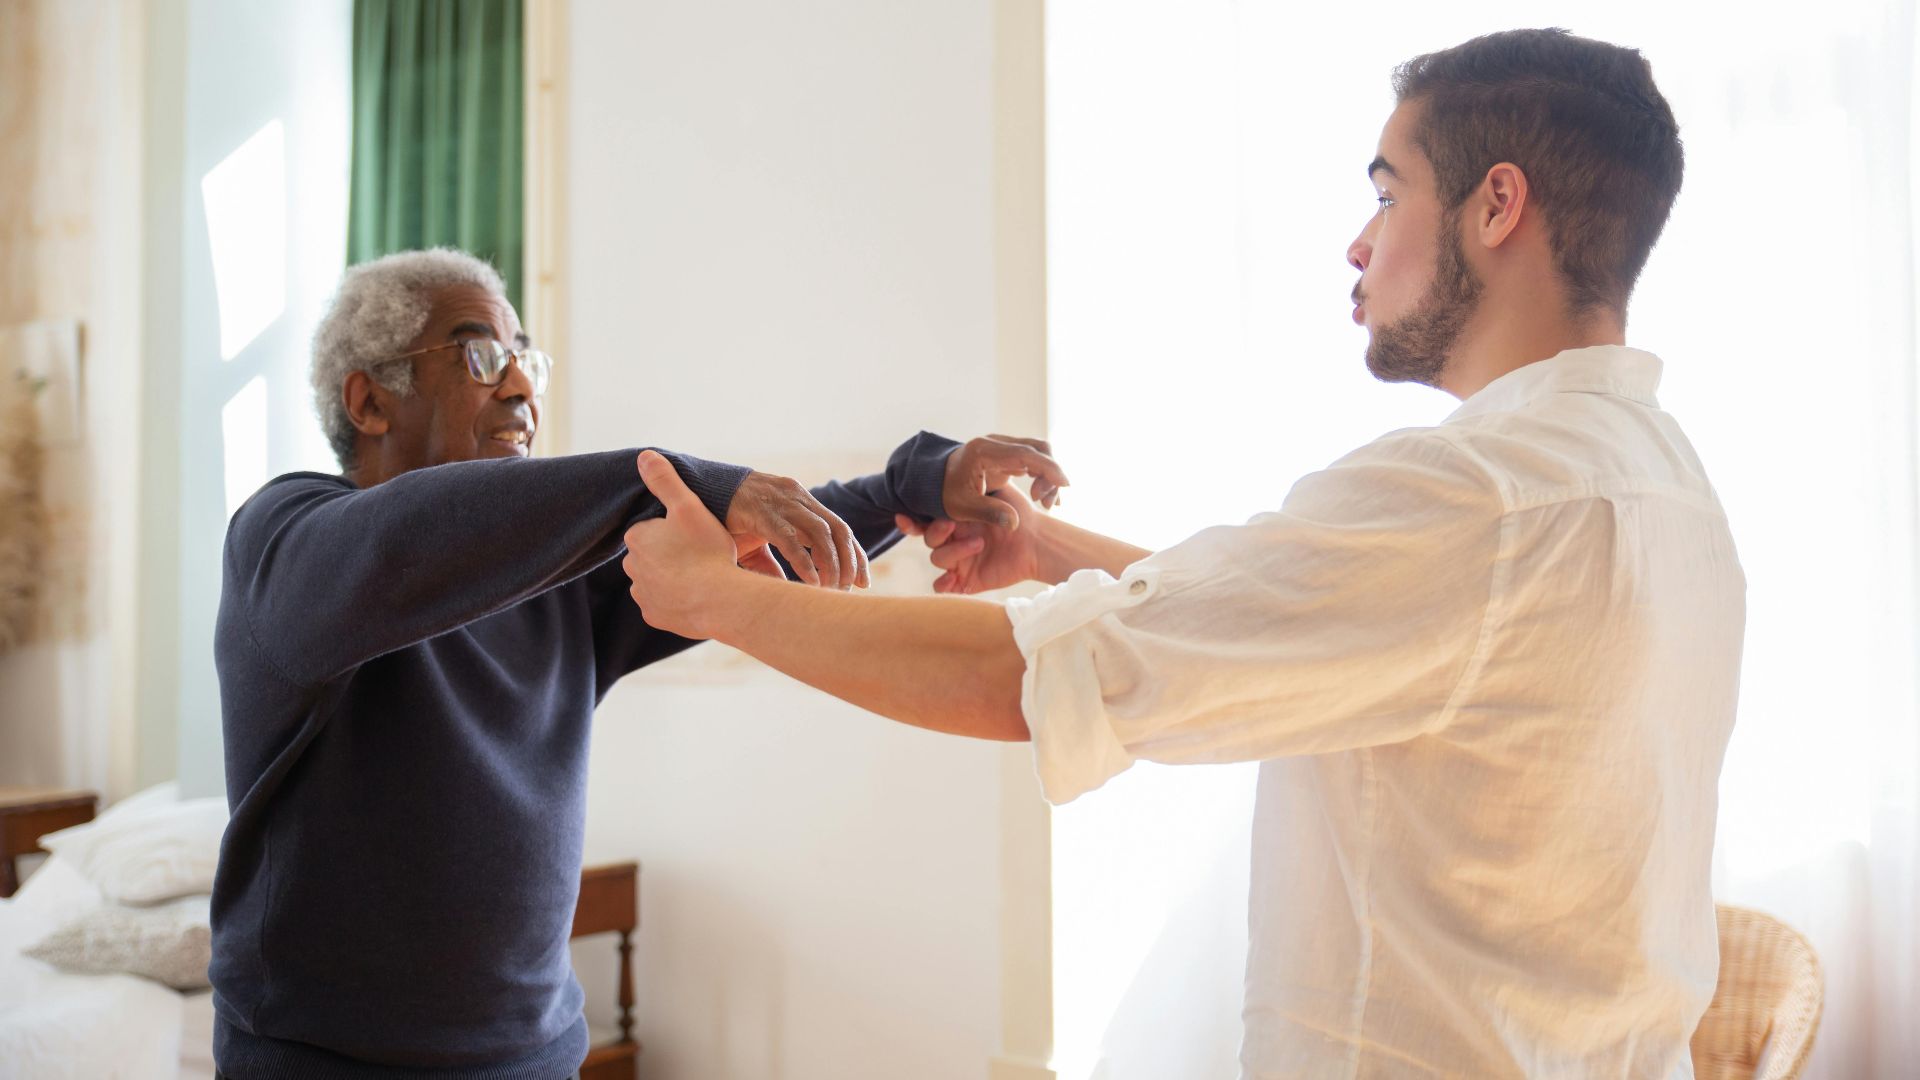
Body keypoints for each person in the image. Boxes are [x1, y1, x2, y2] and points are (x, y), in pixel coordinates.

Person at [621, 28, 1744, 1078]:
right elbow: (1320, 617)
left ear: (1499, 204)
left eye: (1388, 192)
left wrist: (718, 602)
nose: (1357, 240)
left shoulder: (1476, 498)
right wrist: (1048, 547)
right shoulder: (1663, 486)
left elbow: (1024, 677)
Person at [208, 247, 1067, 1078]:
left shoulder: (553, 587)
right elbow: (411, 537)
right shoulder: (286, 541)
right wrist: (682, 482)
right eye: (479, 355)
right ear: (368, 403)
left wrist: (909, 488)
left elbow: (741, 550)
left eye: (524, 361)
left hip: (535, 1061)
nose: (517, 385)